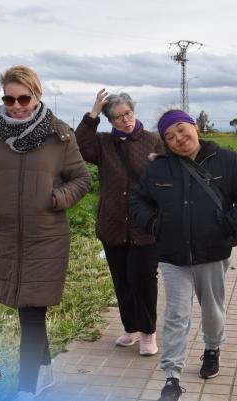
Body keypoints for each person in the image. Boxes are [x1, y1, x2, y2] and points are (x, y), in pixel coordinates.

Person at [0, 65, 91, 401]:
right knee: (28, 309)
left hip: (47, 238)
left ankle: (25, 387)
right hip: (7, 236)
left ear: (37, 96)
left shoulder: (60, 135)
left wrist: (55, 198)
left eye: (24, 97)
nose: (16, 104)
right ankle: (47, 374)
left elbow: (82, 180)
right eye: (9, 97)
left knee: (33, 310)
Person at [130, 110, 237, 401]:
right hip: (172, 255)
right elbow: (138, 199)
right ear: (165, 142)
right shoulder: (159, 168)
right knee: (176, 314)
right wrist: (153, 224)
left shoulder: (226, 160)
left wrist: (230, 224)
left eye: (181, 129)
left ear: (195, 126)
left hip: (213, 253)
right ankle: (172, 377)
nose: (178, 138)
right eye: (169, 136)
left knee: (213, 311)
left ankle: (212, 349)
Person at [74, 89, 165, 356]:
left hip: (146, 225)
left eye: (128, 113)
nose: (125, 120)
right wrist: (92, 115)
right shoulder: (103, 144)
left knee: (144, 279)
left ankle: (148, 332)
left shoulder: (153, 141)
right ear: (110, 121)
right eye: (117, 117)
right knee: (122, 279)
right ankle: (130, 328)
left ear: (134, 111)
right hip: (113, 223)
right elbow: (79, 146)